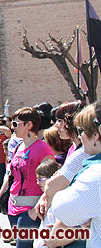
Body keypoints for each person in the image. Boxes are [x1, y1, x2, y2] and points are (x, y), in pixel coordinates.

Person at [0, 107, 54, 248]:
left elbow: (52, 180)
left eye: (15, 124)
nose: (12, 128)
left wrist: (36, 208)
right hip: (13, 206)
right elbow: (9, 178)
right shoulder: (19, 146)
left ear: (29, 125)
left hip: (31, 207)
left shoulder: (42, 148)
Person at [50, 102, 101, 248]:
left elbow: (63, 209)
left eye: (81, 131)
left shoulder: (95, 173)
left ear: (96, 135)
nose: (80, 136)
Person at [27, 157, 63, 248]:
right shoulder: (44, 198)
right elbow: (32, 215)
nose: (38, 183)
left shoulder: (60, 199)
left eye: (40, 179)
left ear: (52, 179)